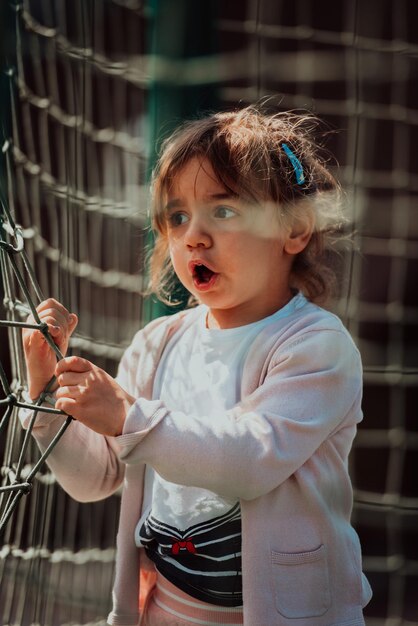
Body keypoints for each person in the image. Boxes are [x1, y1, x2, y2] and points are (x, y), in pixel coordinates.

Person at [21, 105, 372, 626]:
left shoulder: (316, 346)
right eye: (178, 217)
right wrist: (49, 395)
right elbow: (96, 477)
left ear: (295, 228)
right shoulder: (157, 343)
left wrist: (126, 417)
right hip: (164, 608)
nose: (193, 237)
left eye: (223, 211)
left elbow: (251, 461)